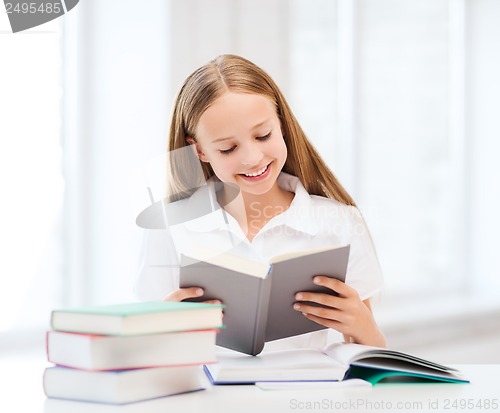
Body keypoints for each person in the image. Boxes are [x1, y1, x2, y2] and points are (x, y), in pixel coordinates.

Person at [136, 54, 386, 349]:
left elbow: (373, 360)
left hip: (301, 392)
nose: (252, 158)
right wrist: (164, 331)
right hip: (209, 393)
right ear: (200, 150)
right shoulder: (170, 226)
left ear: (281, 123)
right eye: (228, 149)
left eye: (263, 135)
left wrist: (363, 325)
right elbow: (147, 355)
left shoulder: (340, 222)